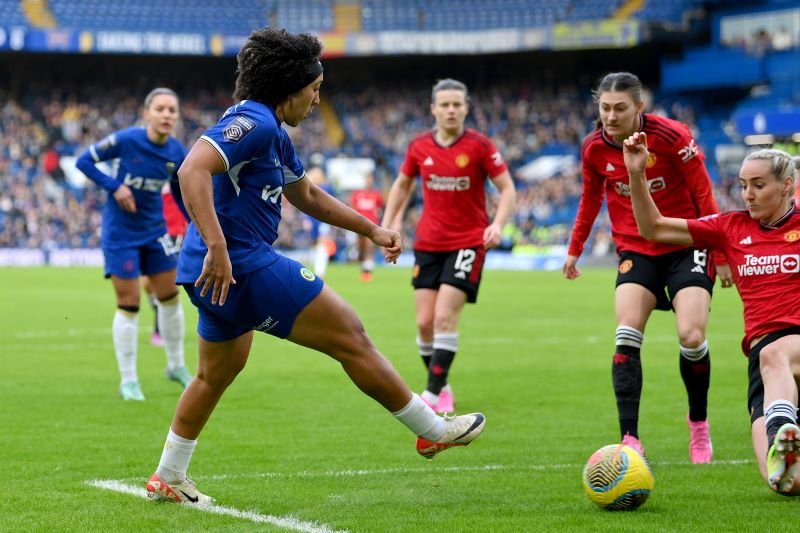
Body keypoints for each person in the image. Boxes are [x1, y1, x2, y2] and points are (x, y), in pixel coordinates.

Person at [144, 28, 486, 505]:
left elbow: (305, 195)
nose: (317, 100)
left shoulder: (275, 135)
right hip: (237, 263)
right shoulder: (255, 122)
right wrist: (219, 248)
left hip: (209, 275)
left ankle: (169, 475)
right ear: (289, 89)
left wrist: (371, 229)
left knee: (214, 375)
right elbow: (191, 170)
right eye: (314, 91)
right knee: (351, 334)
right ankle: (432, 429)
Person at [562, 72, 733, 464]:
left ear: (640, 107)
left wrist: (720, 253)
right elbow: (590, 200)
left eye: (620, 108)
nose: (610, 116)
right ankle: (630, 437)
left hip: (685, 243)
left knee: (691, 336)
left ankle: (698, 424)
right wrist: (575, 248)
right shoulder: (592, 148)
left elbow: (704, 193)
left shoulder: (672, 137)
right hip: (635, 250)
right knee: (625, 333)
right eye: (604, 108)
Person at [624, 134, 800, 495]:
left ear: (787, 186)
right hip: (764, 362)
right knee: (782, 481)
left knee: (774, 352)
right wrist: (637, 175)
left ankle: (781, 426)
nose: (747, 194)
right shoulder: (730, 227)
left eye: (757, 185)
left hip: (788, 346)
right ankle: (784, 438)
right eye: (742, 185)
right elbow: (652, 228)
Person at [381, 79, 517, 414]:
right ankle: (443, 386)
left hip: (469, 242)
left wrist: (497, 225)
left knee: (444, 318)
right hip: (428, 243)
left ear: (466, 108)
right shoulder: (418, 147)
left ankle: (429, 394)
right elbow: (401, 186)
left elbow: (508, 190)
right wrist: (388, 224)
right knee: (425, 323)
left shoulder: (481, 146)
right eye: (445, 105)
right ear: (434, 109)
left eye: (457, 104)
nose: (451, 110)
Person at [75, 87, 192, 401]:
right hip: (121, 234)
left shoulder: (176, 153)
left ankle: (176, 366)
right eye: (161, 109)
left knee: (169, 296)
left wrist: (195, 224)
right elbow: (84, 161)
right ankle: (129, 381)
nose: (167, 115)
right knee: (129, 304)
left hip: (155, 231)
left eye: (172, 110)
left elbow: (179, 192)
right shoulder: (127, 140)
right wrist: (115, 187)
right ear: (147, 113)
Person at [144, 182, 189, 347]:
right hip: (155, 234)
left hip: (175, 235)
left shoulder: (175, 174)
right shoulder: (149, 180)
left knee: (167, 285)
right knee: (147, 284)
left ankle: (160, 329)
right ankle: (160, 312)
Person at [350, 173, 384, 282]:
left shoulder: (376, 195)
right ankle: (363, 266)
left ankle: (367, 272)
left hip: (371, 225)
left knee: (369, 248)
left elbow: (381, 207)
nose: (369, 181)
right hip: (359, 225)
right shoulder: (357, 194)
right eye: (367, 179)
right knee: (361, 248)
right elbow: (352, 208)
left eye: (370, 179)